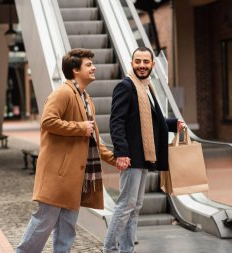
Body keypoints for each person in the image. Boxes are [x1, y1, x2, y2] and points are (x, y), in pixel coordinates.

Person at [16, 48, 116, 253]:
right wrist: (80, 127)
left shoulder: (86, 98)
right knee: (44, 222)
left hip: (74, 176)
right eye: (88, 65)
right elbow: (48, 121)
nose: (94, 67)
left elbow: (94, 139)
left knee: (67, 227)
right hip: (58, 174)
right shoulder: (63, 93)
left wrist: (115, 159)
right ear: (75, 70)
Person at [103, 46, 185, 253]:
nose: (141, 65)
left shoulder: (147, 87)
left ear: (152, 65)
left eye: (145, 62)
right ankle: (110, 249)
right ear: (132, 63)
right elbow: (116, 122)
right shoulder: (126, 86)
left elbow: (152, 120)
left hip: (143, 156)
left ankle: (127, 249)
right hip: (131, 156)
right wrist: (121, 153)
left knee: (135, 207)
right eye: (138, 61)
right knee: (125, 206)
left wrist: (174, 124)